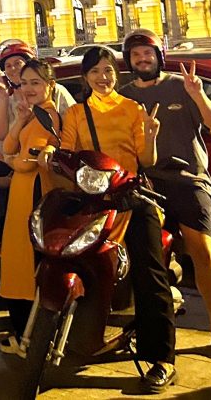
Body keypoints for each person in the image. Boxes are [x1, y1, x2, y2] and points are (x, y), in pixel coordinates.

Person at [50, 45, 174, 393]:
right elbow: (69, 153)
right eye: (95, 72)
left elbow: (145, 159)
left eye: (108, 71)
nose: (102, 78)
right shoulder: (76, 112)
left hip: (130, 196)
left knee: (150, 271)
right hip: (92, 198)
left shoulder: (133, 108)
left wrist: (150, 136)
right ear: (85, 78)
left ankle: (162, 359)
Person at [117, 29, 211, 352]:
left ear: (158, 57)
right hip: (148, 184)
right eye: (136, 55)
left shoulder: (181, 86)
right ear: (129, 61)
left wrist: (198, 94)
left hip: (189, 180)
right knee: (144, 258)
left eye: (147, 54)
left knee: (204, 253)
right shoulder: (124, 97)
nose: (142, 59)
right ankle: (149, 327)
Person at [0, 58, 62, 357]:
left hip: (36, 193)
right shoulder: (30, 114)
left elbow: (23, 161)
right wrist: (20, 119)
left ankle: (31, 336)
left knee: (27, 261)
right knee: (16, 258)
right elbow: (8, 148)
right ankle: (24, 332)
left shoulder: (49, 115)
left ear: (50, 85)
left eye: (36, 82)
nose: (29, 88)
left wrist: (15, 160)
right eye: (24, 83)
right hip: (20, 194)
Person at [0, 40, 75, 146]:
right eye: (8, 66)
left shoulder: (56, 91)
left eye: (17, 63)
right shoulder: (10, 100)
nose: (13, 68)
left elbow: (75, 125)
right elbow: (1, 137)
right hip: (18, 158)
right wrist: (3, 99)